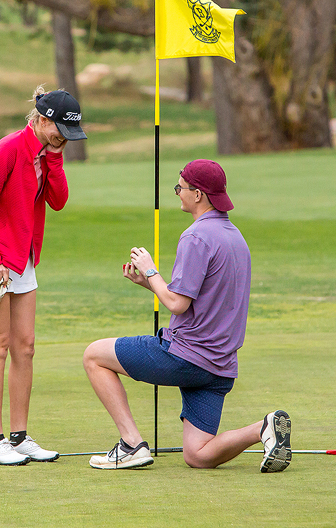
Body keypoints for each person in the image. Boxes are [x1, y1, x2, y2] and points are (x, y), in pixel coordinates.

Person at [82, 159, 291, 472]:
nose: (177, 192)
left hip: (186, 358)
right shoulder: (235, 236)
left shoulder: (196, 237)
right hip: (220, 367)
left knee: (93, 356)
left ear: (198, 195)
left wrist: (150, 269)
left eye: (180, 187)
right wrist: (151, 284)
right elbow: (201, 298)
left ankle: (131, 444)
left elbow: (178, 304)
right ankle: (264, 428)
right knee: (198, 455)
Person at [0, 86, 87, 466]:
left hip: (23, 258)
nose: (63, 139)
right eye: (59, 131)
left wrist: (55, 158)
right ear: (43, 120)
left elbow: (59, 201)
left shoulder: (46, 153)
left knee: (26, 346)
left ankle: (19, 437)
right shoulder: (8, 148)